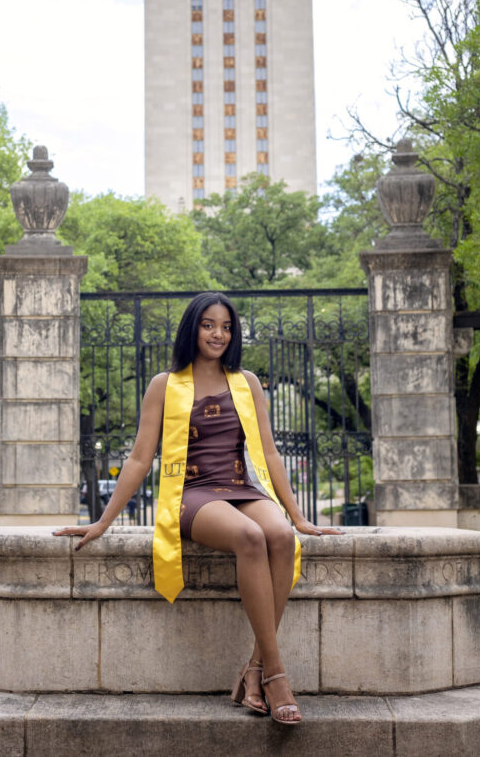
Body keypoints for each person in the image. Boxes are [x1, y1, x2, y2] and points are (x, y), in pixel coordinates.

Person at [54, 292, 342, 725]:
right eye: (209, 325)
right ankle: (277, 675)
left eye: (226, 327)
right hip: (191, 494)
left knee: (280, 535)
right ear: (193, 328)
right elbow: (137, 459)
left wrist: (298, 516)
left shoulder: (247, 382)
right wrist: (103, 521)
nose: (218, 334)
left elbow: (269, 451)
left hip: (240, 486)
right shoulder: (165, 385)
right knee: (250, 537)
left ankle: (254, 670)